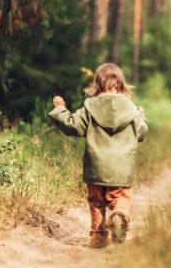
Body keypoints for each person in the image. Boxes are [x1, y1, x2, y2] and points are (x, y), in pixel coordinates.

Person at [49, 63, 148, 248]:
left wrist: (60, 109)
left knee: (96, 202)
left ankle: (99, 237)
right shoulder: (132, 109)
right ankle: (119, 215)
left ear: (97, 84)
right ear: (121, 84)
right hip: (121, 168)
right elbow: (141, 133)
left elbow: (73, 126)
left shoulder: (90, 107)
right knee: (121, 198)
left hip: (95, 167)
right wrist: (141, 115)